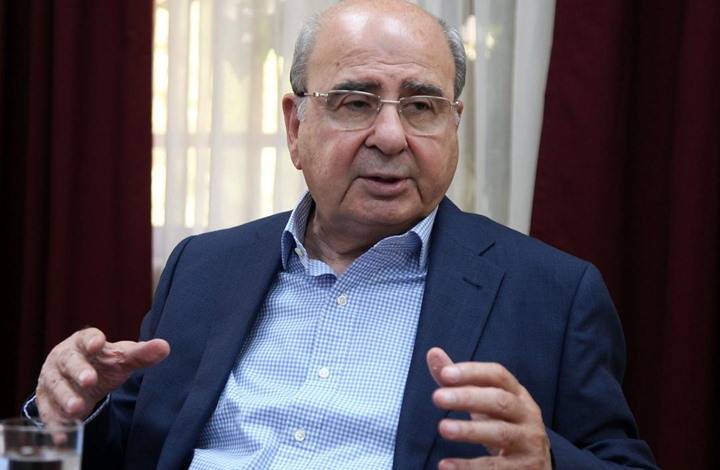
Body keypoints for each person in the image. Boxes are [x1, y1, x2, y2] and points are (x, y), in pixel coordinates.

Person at [27, 1, 658, 469]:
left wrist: (546, 460)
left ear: (454, 125)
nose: (391, 136)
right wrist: (66, 417)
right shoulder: (203, 266)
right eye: (356, 102)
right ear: (295, 126)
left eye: (422, 106)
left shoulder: (552, 292)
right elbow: (133, 448)